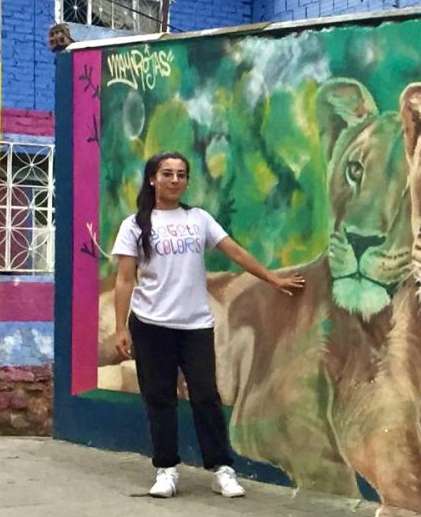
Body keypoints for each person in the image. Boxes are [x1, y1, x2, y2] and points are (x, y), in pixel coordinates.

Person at [112, 151, 305, 499]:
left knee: (205, 396)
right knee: (159, 399)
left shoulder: (198, 219)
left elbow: (235, 252)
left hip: (195, 325)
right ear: (152, 179)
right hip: (151, 324)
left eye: (181, 174)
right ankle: (166, 469)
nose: (175, 180)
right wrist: (121, 327)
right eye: (167, 173)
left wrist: (271, 278)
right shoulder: (135, 225)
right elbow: (125, 279)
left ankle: (221, 469)